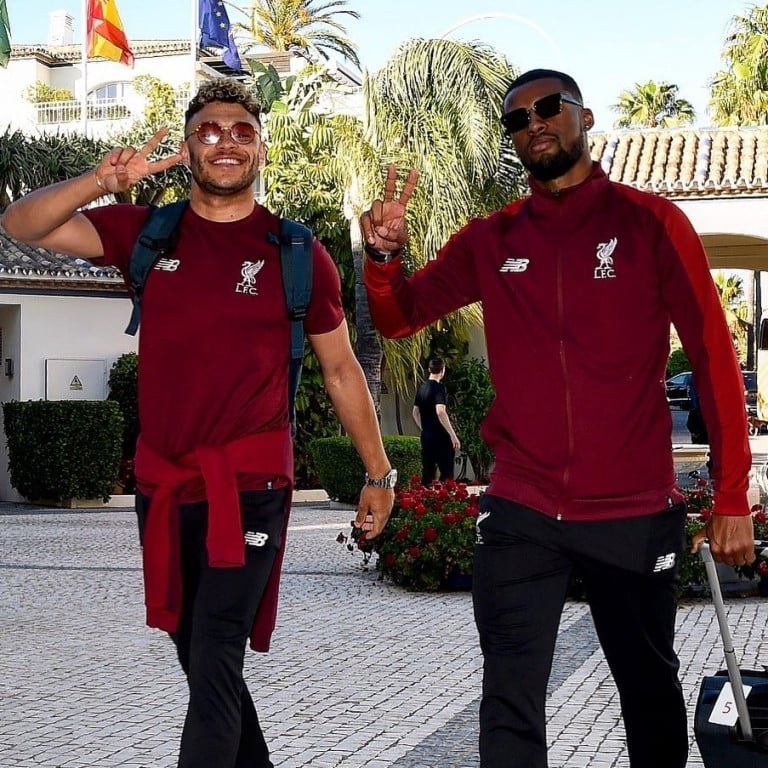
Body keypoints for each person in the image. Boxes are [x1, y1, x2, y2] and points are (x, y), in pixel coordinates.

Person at [360, 68, 755, 768]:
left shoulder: (652, 223)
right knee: (509, 698)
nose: (534, 123)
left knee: (647, 692)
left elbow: (715, 360)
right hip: (523, 509)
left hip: (632, 510)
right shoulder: (493, 238)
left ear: (585, 117)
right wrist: (384, 258)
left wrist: (729, 496)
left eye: (549, 108)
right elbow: (398, 317)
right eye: (517, 118)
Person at [2, 78, 396, 768]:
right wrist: (99, 179)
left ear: (262, 150)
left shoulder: (297, 253)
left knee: (216, 645)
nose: (226, 141)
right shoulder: (146, 235)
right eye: (209, 130)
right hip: (163, 483)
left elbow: (341, 372)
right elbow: (20, 225)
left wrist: (379, 473)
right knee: (200, 657)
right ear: (187, 150)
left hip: (250, 483)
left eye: (242, 130)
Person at [412, 357, 461, 485]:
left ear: (429, 369)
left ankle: (424, 499)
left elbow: (415, 412)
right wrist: (453, 435)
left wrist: (424, 428)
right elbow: (440, 411)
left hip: (427, 436)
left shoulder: (422, 387)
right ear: (442, 371)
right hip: (441, 436)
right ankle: (445, 500)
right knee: (446, 473)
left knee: (428, 472)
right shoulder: (439, 388)